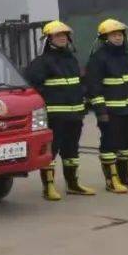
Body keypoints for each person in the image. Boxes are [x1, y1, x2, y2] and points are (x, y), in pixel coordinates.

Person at [24, 20, 93, 199]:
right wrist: (51, 100)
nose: (62, 38)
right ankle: (49, 187)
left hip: (75, 114)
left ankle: (73, 184)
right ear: (49, 39)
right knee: (51, 151)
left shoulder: (71, 59)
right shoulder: (41, 62)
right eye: (58, 35)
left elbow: (78, 83)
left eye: (64, 35)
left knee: (72, 151)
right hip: (55, 116)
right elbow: (32, 88)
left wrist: (83, 98)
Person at [86, 19, 128, 193]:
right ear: (105, 38)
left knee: (127, 145)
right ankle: (111, 181)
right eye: (114, 35)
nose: (118, 37)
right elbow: (94, 87)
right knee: (110, 145)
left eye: (120, 34)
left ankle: (125, 178)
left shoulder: (127, 57)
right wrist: (101, 111)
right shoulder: (98, 59)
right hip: (111, 112)